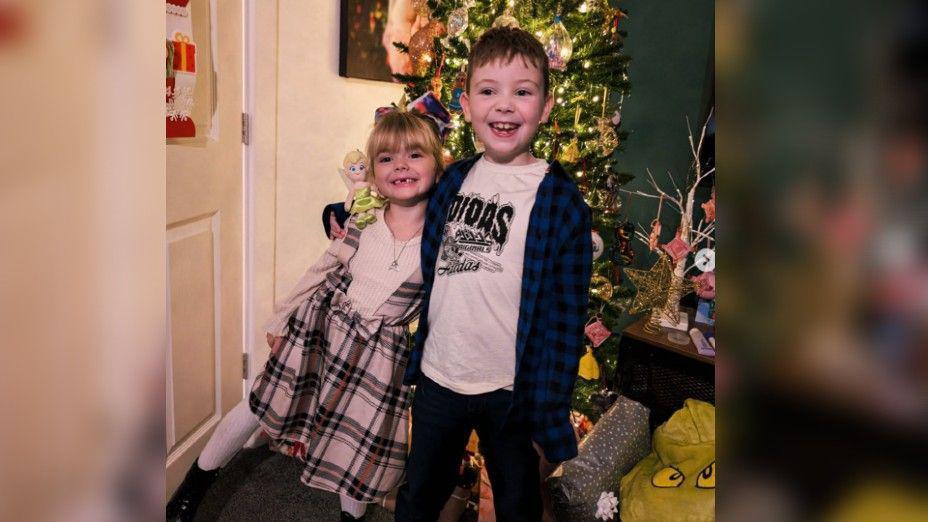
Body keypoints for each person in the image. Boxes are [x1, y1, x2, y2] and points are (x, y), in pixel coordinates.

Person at [166, 96, 449, 522]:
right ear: (373, 173)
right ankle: (190, 493)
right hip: (322, 329)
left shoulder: (441, 238)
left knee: (356, 443)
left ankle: (350, 517)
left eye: (415, 155)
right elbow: (324, 268)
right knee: (260, 403)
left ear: (437, 164)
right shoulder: (362, 218)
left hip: (379, 355)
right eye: (387, 158)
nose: (401, 166)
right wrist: (282, 316)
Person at [395, 27, 593, 522]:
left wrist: (547, 416)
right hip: (441, 375)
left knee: (517, 501)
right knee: (419, 493)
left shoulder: (561, 203)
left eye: (522, 92)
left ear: (545, 106)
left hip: (512, 393)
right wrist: (340, 211)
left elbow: (566, 324)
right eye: (488, 91)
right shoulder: (452, 181)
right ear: (465, 103)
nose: (504, 106)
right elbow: (397, 213)